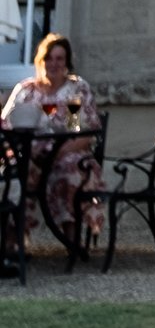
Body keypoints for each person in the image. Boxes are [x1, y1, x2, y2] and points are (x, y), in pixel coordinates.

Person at [3, 31, 105, 255]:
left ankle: (71, 238)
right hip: (28, 152)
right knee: (15, 173)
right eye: (49, 58)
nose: (54, 63)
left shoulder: (75, 91)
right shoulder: (27, 90)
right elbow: (6, 124)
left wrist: (59, 152)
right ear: (41, 61)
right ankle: (12, 239)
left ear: (67, 61)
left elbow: (83, 132)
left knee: (70, 170)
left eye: (59, 58)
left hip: (67, 152)